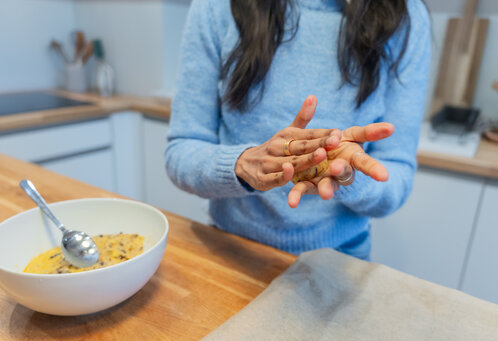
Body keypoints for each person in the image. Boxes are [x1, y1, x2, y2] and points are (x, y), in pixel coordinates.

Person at [165, 0, 431, 260]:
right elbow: (182, 152)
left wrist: (349, 177)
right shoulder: (216, 7)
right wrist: (243, 165)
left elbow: (396, 178)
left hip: (340, 257)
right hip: (232, 249)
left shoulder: (406, 14)